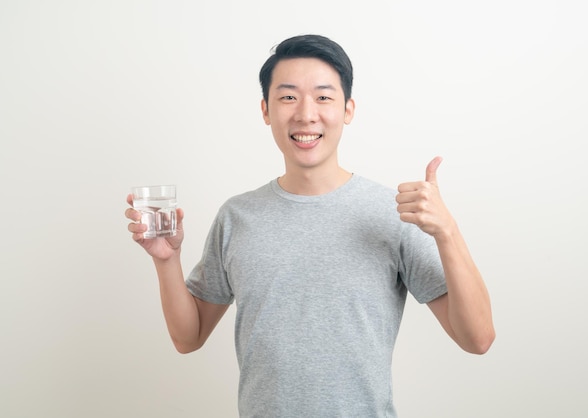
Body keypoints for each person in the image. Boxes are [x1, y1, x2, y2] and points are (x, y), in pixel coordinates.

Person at [126, 34, 495, 417]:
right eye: (288, 97)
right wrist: (167, 261)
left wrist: (448, 232)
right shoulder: (237, 217)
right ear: (266, 110)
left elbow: (478, 339)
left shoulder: (391, 212)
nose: (305, 114)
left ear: (348, 109)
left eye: (323, 97)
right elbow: (189, 338)